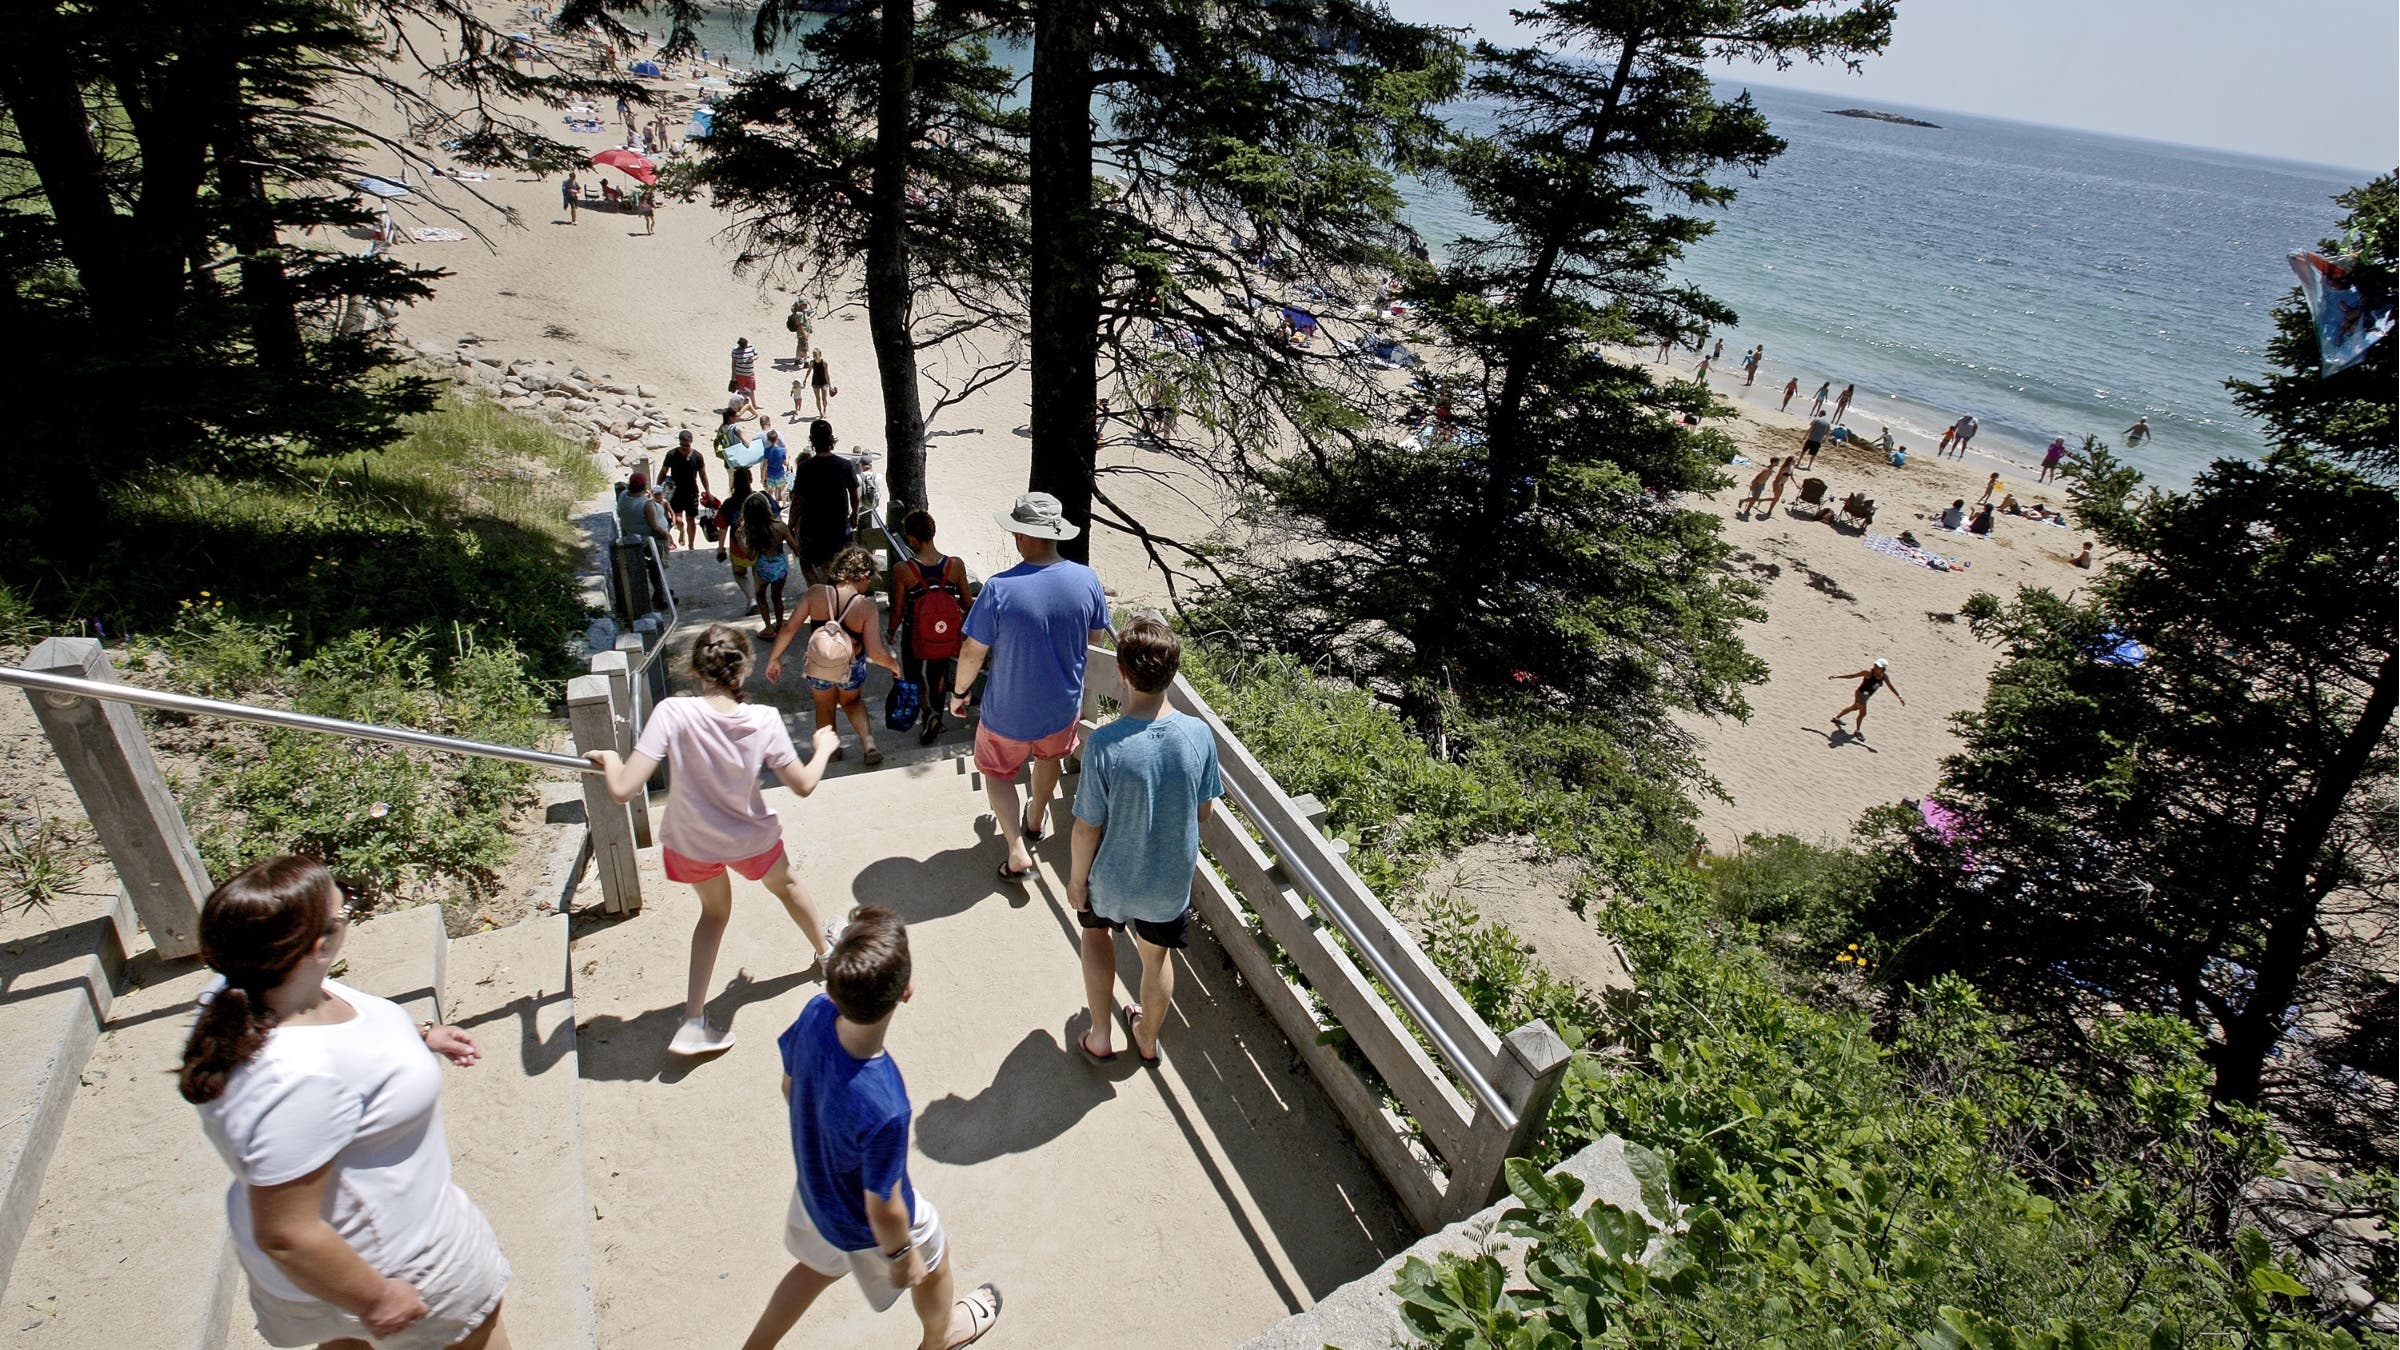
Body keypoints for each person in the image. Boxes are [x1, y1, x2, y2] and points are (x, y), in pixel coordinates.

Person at [181, 855, 514, 1350]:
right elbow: (287, 1232)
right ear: (317, 945)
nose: (350, 912)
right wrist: (376, 1297)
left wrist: (420, 1034)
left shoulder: (250, 987)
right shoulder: (299, 1081)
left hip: (331, 1271)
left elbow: (350, 1030)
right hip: (393, 1262)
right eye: (346, 911)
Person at [739, 908, 1004, 1350]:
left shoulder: (815, 1011)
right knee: (935, 1264)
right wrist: (901, 1257)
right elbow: (884, 1205)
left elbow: (790, 1085)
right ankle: (938, 1340)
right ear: (906, 992)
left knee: (813, 1270)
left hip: (815, 1193)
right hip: (866, 1224)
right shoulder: (886, 1103)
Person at [585, 625, 844, 1055]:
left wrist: (613, 759)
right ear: (743, 671)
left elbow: (622, 790)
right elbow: (801, 785)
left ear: (696, 670)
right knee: (788, 886)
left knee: (714, 914)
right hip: (749, 837)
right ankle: (826, 954)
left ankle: (692, 1021)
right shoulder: (762, 720)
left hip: (691, 841)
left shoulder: (671, 713)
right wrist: (821, 747)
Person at [1068, 617, 1221, 1064]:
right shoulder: (1198, 735)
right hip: (1167, 882)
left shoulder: (1106, 744)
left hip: (1111, 877)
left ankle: (1100, 1034)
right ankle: (1148, 1039)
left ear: (1122, 672)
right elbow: (1204, 811)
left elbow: (1086, 827)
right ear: (1173, 672)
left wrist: (1078, 883)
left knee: (1097, 939)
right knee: (1157, 960)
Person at [949, 493, 1113, 884]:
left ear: (1020, 535)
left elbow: (973, 650)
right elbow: (1095, 645)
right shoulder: (1087, 579)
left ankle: (1017, 851)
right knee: (1049, 758)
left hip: (1008, 709)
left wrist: (959, 693)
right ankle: (1036, 817)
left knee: (998, 773)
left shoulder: (1000, 588)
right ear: (1056, 535)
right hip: (1062, 706)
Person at [765, 545, 902, 766]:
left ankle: (830, 752)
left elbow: (790, 627)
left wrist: (775, 658)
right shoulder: (866, 607)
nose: (868, 586)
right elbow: (876, 653)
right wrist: (894, 666)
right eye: (869, 580)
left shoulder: (816, 593)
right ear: (864, 575)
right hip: (851, 666)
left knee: (824, 706)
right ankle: (869, 745)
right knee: (853, 702)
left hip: (819, 665)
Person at [889, 511, 973, 747]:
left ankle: (928, 712)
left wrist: (890, 631)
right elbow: (967, 603)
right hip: (944, 632)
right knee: (938, 673)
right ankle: (939, 715)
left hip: (914, 632)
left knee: (914, 675)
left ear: (912, 539)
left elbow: (897, 609)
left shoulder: (903, 570)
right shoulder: (955, 565)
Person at [790, 419, 860, 584]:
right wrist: (855, 514)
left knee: (806, 564)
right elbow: (854, 494)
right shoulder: (844, 465)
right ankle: (835, 595)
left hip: (812, 527)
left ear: (812, 440)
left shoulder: (805, 468)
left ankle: (819, 593)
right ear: (831, 439)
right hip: (838, 526)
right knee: (838, 566)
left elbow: (798, 501)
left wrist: (791, 524)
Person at [745, 491, 799, 638]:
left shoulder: (752, 530)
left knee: (760, 595)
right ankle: (780, 624)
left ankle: (768, 627)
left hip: (763, 565)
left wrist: (739, 539)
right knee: (777, 597)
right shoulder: (779, 526)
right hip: (779, 565)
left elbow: (750, 556)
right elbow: (795, 548)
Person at [661, 431, 710, 549]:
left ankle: (691, 545)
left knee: (691, 520)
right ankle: (682, 531)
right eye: (682, 445)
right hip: (675, 492)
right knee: (678, 520)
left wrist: (708, 491)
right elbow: (663, 471)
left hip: (692, 492)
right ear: (679, 442)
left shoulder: (697, 456)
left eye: (687, 445)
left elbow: (703, 475)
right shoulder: (671, 454)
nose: (684, 448)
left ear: (691, 443)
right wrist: (657, 488)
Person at [1828, 659, 1903, 737]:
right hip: (1861, 695)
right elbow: (1852, 676)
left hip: (1866, 696)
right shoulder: (1868, 673)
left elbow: (1890, 686)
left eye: (1878, 666)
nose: (1875, 667)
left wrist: (1899, 696)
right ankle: (1857, 731)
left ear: (1883, 669)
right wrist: (1837, 677)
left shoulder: (1884, 676)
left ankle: (1836, 718)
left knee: (1854, 708)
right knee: (1863, 713)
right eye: (1875, 665)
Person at [761, 428, 792, 508]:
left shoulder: (767, 450)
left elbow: (765, 465)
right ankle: (784, 504)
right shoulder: (782, 450)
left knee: (771, 491)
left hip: (770, 474)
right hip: (780, 473)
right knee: (783, 489)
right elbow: (786, 463)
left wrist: (763, 477)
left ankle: (774, 504)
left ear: (768, 439)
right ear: (777, 438)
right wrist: (788, 457)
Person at [731, 338, 760, 412]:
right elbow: (733, 364)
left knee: (751, 390)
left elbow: (757, 355)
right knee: (740, 391)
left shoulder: (750, 347)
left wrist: (753, 359)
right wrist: (733, 377)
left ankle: (754, 405)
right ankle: (741, 406)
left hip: (750, 374)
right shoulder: (735, 351)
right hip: (740, 375)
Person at [807, 348, 834, 418]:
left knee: (824, 399)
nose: (815, 356)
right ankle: (820, 413)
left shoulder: (824, 363)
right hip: (815, 382)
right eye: (814, 355)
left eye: (816, 355)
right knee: (818, 399)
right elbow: (809, 371)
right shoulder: (812, 363)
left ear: (820, 355)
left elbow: (827, 374)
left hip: (824, 382)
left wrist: (830, 385)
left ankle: (824, 410)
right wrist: (805, 379)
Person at [787, 298, 813, 366]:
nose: (806, 305)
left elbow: (812, 310)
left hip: (802, 333)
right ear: (800, 305)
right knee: (804, 348)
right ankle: (805, 362)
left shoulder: (804, 312)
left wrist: (809, 302)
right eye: (804, 304)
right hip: (802, 333)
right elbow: (800, 325)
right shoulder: (799, 314)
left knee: (799, 346)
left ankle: (797, 359)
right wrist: (804, 334)